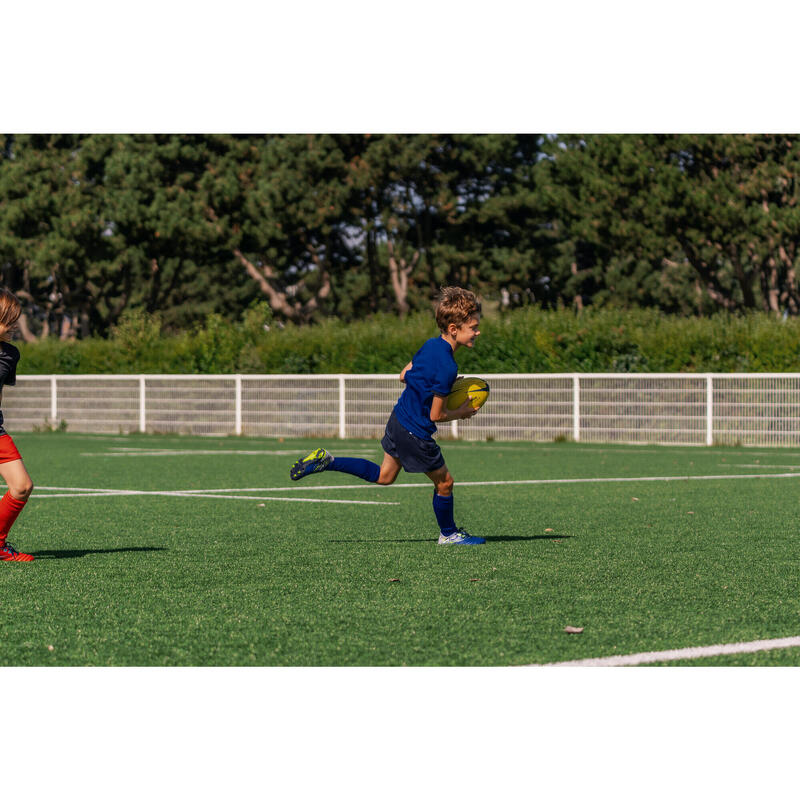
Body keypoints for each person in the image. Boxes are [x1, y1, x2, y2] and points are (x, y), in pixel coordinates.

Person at [289, 286, 485, 545]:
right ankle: (448, 535)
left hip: (398, 419)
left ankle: (328, 461)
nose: (477, 332)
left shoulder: (430, 346)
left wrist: (435, 386)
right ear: (453, 329)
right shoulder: (448, 366)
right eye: (473, 327)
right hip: (415, 432)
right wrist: (460, 412)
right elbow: (437, 415)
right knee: (445, 483)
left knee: (385, 476)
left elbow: (404, 375)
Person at [0, 289, 35, 562]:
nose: (14, 326)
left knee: (21, 486)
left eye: (15, 320)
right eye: (8, 320)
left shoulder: (11, 354)